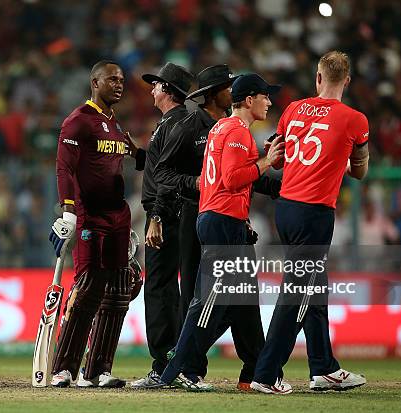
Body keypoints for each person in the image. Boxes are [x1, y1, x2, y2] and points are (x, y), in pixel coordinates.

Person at [144, 73, 286, 391]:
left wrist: (274, 178)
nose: (269, 102)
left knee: (235, 299)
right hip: (213, 219)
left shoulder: (220, 128)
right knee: (207, 301)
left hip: (217, 216)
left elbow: (239, 176)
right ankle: (180, 368)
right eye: (264, 96)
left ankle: (252, 371)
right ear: (244, 99)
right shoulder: (218, 128)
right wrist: (266, 163)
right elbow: (231, 179)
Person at [250, 51, 369, 394]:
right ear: (347, 80)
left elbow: (278, 159)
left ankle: (323, 368)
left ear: (318, 78)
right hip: (315, 213)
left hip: (285, 208)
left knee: (314, 288)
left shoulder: (292, 110)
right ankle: (266, 373)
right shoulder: (355, 120)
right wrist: (348, 162)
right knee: (296, 293)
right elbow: (359, 172)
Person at [48, 60, 144, 388]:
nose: (119, 84)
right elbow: (64, 168)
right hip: (90, 216)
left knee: (118, 292)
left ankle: (98, 370)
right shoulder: (79, 121)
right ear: (95, 82)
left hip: (118, 218)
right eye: (112, 79)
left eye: (121, 80)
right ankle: (64, 368)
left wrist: (137, 152)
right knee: (88, 288)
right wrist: (68, 210)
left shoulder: (115, 124)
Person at [131, 63, 194, 387]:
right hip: (175, 214)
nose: (152, 90)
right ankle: (181, 362)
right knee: (174, 289)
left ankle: (163, 365)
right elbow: (163, 166)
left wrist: (155, 216)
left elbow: (165, 178)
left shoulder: (173, 124)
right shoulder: (179, 122)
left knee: (158, 288)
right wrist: (140, 155)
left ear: (168, 90)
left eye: (156, 85)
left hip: (165, 216)